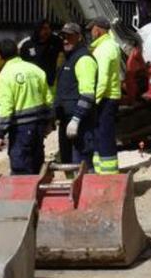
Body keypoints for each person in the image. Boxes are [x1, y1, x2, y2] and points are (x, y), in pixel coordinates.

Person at [0, 39, 53, 175]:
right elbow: (49, 99)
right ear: (18, 51)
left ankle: (24, 196)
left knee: (21, 168)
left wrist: (0, 134)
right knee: (37, 165)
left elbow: (5, 107)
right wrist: (49, 122)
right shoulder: (35, 70)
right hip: (38, 128)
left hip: (21, 130)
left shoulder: (5, 75)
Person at [54, 22, 97, 167]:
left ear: (79, 37)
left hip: (81, 125)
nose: (65, 40)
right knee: (68, 163)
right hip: (67, 122)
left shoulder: (83, 59)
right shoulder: (68, 58)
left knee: (82, 165)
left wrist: (76, 119)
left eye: (70, 37)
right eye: (63, 37)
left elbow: (88, 94)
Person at [88, 16, 123, 175]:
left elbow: (102, 79)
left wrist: (93, 101)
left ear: (98, 29)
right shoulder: (105, 46)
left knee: (104, 137)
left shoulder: (105, 48)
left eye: (92, 29)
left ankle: (109, 175)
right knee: (99, 135)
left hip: (105, 99)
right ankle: (100, 171)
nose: (90, 32)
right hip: (106, 97)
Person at [20, 20, 64, 87]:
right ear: (37, 29)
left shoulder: (56, 41)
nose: (47, 31)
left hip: (50, 83)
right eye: (44, 28)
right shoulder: (27, 44)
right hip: (33, 83)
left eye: (48, 28)